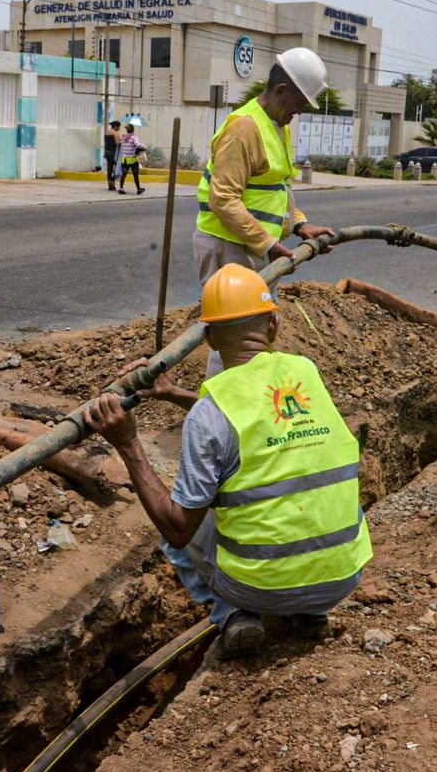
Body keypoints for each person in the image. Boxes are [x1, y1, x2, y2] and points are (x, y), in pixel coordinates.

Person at [86, 264, 372, 658]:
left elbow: (178, 529)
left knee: (173, 525)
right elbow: (257, 415)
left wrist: (128, 442)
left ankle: (233, 612)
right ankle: (310, 612)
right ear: (273, 325)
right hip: (342, 578)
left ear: (208, 338)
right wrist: (173, 393)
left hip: (260, 589)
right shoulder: (305, 374)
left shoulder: (209, 415)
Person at [196, 47, 336, 375]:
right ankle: (221, 415)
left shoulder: (276, 125)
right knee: (234, 336)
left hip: (252, 246)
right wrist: (270, 246)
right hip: (228, 246)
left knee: (256, 330)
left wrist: (300, 225)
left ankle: (246, 406)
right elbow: (223, 199)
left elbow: (277, 188)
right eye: (299, 103)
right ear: (281, 91)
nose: (298, 112)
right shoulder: (244, 128)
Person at [117, 123, 145, 195]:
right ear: (133, 130)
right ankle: (138, 189)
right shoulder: (134, 137)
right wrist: (145, 147)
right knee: (135, 175)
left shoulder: (124, 137)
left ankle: (121, 188)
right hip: (132, 159)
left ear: (127, 130)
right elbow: (138, 144)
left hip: (124, 159)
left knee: (123, 174)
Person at [103, 119, 122, 191]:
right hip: (113, 154)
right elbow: (117, 143)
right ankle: (112, 181)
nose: (119, 129)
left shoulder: (107, 131)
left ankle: (110, 185)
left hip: (107, 152)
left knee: (110, 169)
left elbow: (106, 142)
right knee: (119, 168)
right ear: (116, 126)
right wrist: (123, 141)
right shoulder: (115, 133)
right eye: (119, 127)